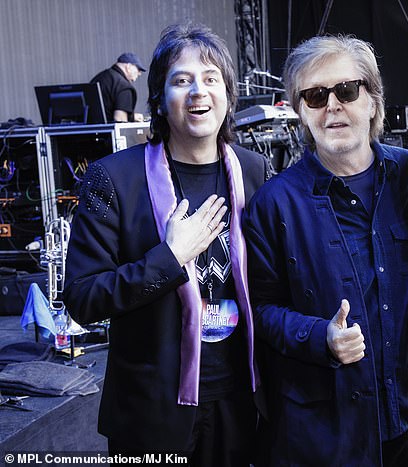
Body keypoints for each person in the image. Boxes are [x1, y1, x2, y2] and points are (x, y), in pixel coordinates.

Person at [65, 23, 269, 465]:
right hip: (151, 416)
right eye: (182, 80)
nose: (199, 91)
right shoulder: (114, 179)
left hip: (240, 404)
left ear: (229, 96)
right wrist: (170, 257)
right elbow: (82, 298)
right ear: (159, 98)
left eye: (211, 79)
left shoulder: (255, 171)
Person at [243, 35, 408, 466]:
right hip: (324, 430)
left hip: (406, 415)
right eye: (314, 96)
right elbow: (261, 311)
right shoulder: (274, 204)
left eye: (346, 91)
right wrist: (321, 337)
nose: (332, 105)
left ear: (372, 100)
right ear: (301, 112)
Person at [90, 52, 146, 122]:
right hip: (109, 133)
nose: (139, 73)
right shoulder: (124, 86)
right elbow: (120, 120)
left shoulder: (98, 78)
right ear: (128, 66)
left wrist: (131, 117)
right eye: (138, 69)